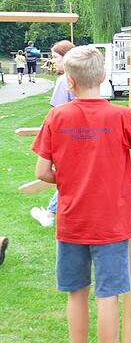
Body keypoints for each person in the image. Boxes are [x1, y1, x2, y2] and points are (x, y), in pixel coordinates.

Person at [31, 45, 131, 343]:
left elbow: (42, 171)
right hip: (112, 223)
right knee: (107, 296)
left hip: (72, 219)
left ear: (70, 82)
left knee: (76, 293)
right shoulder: (121, 117)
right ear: (104, 77)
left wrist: (68, 180)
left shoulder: (56, 117)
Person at [31, 40, 76, 228]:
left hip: (68, 136)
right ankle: (52, 210)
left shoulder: (64, 80)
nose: (53, 61)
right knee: (74, 175)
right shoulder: (84, 77)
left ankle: (50, 212)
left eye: (56, 57)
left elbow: (56, 114)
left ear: (66, 58)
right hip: (84, 133)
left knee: (69, 175)